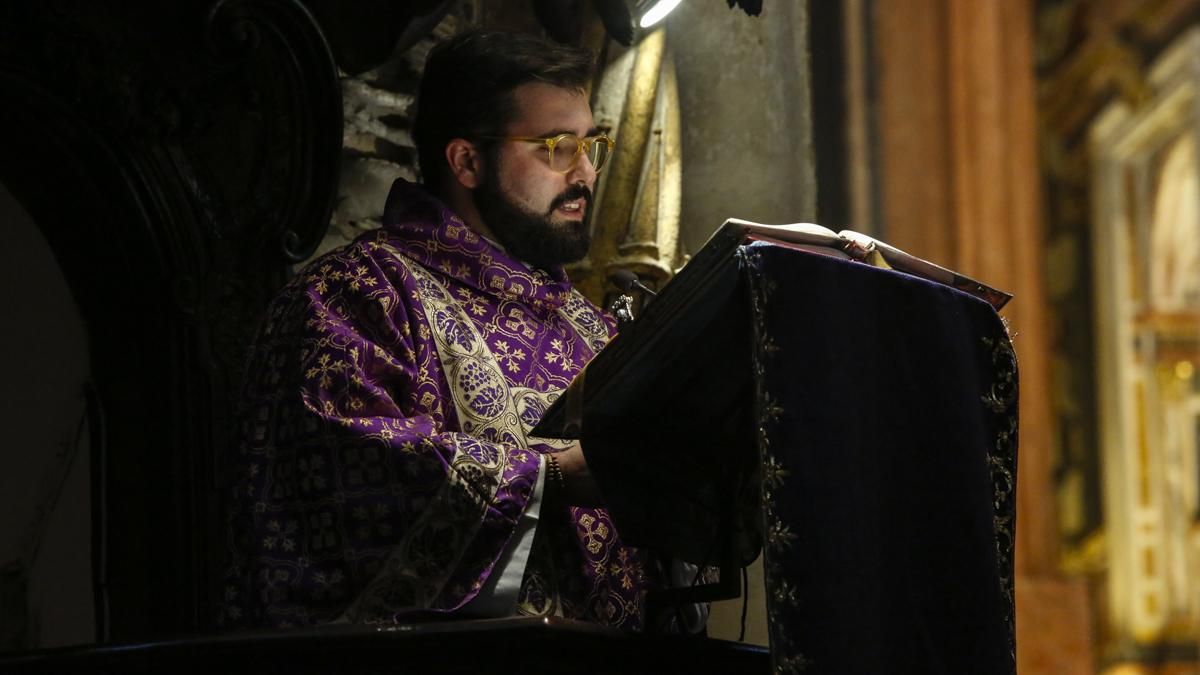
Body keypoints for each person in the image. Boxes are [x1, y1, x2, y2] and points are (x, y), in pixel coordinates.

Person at [219, 30, 658, 630]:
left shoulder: (591, 325)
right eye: (557, 147)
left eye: (591, 144)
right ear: (467, 161)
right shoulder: (356, 295)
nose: (585, 173)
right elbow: (346, 471)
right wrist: (548, 477)